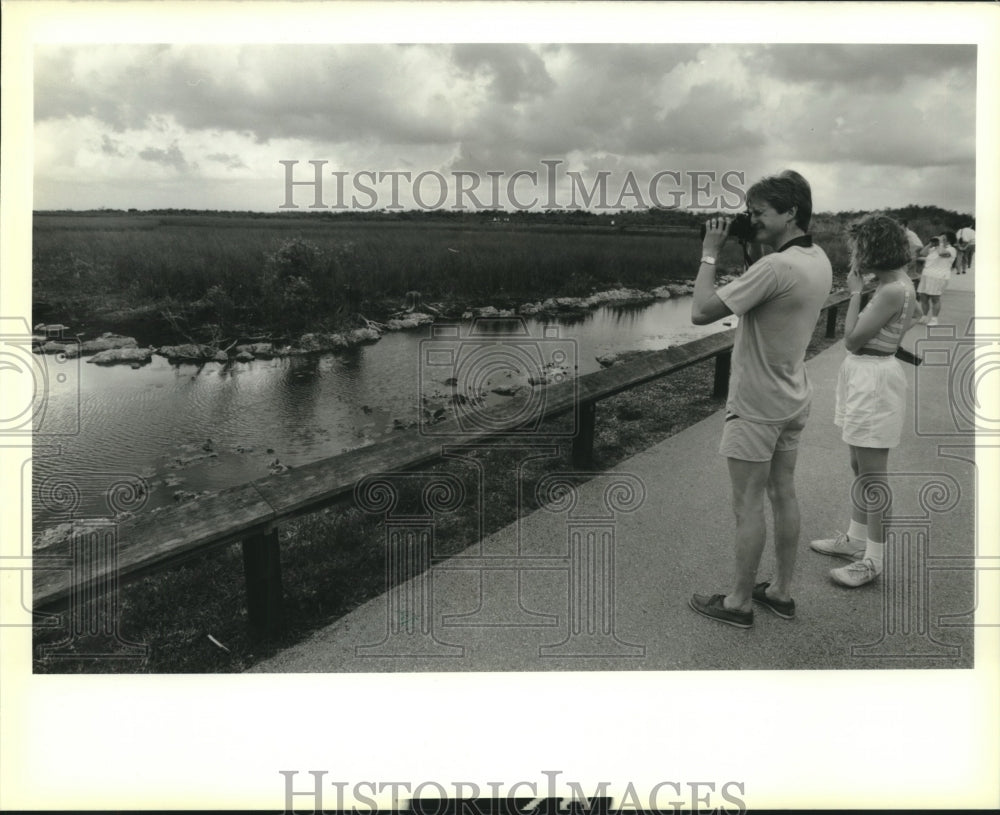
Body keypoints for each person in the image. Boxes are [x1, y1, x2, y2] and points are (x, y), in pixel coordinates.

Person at [687, 170, 833, 628]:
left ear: (791, 212)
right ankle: (782, 593)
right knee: (783, 493)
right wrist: (755, 244)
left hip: (756, 404)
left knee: (747, 502)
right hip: (792, 395)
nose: (752, 220)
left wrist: (710, 254)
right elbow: (766, 296)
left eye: (759, 213)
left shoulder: (776, 267)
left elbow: (700, 312)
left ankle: (738, 602)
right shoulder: (817, 258)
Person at [810, 214, 920, 587]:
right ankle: (856, 540)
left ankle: (873, 559)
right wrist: (893, 334)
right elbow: (917, 313)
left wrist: (856, 291)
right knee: (859, 464)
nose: (854, 254)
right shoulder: (901, 284)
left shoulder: (890, 290)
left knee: (874, 475)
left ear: (872, 249)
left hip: (873, 378)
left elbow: (851, 339)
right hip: (869, 373)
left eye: (858, 248)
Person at [915, 230, 956, 326]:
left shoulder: (951, 250)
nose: (940, 239)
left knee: (935, 298)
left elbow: (942, 254)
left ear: (948, 240)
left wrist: (940, 243)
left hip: (939, 277)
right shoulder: (934, 248)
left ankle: (934, 319)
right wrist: (931, 244)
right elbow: (923, 252)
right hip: (927, 275)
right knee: (924, 297)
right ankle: (924, 317)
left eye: (943, 238)